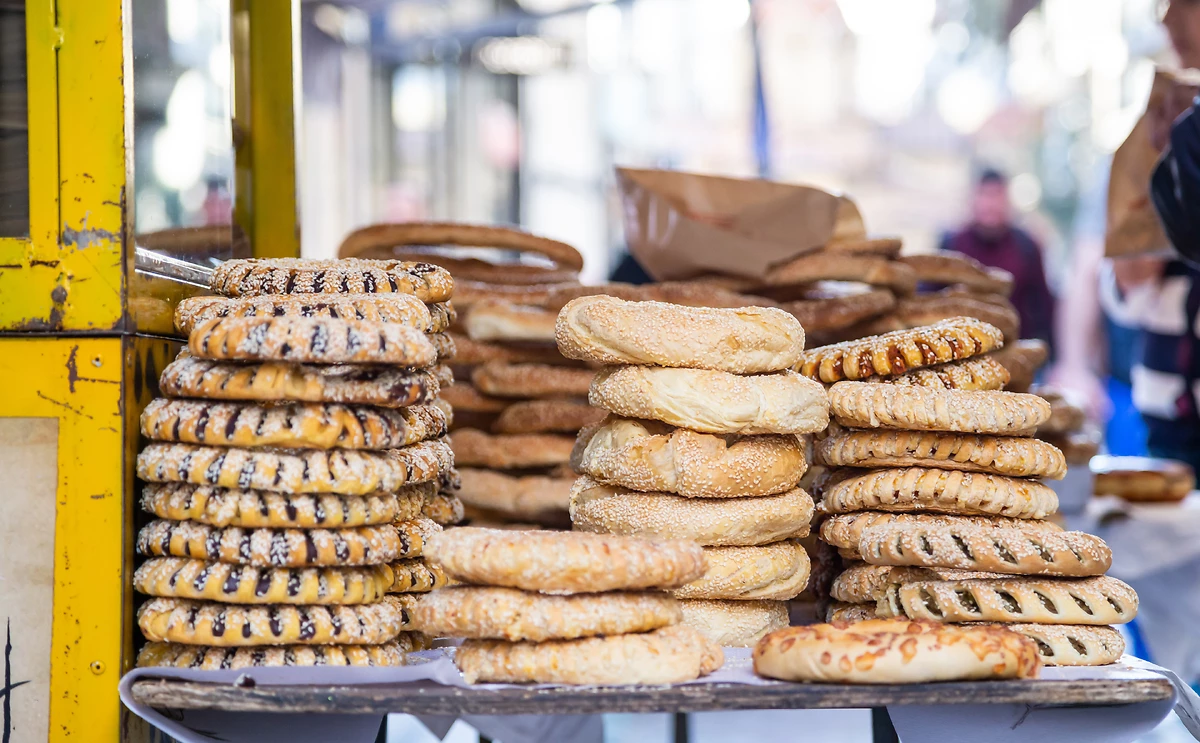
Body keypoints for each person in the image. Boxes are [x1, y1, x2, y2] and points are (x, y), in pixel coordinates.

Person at [939, 169, 1057, 352]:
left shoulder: (1026, 245)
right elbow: (928, 296)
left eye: (997, 196)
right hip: (959, 351)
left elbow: (1043, 303)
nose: (990, 204)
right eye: (985, 195)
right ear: (973, 199)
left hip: (1014, 351)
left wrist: (1053, 354)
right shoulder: (950, 244)